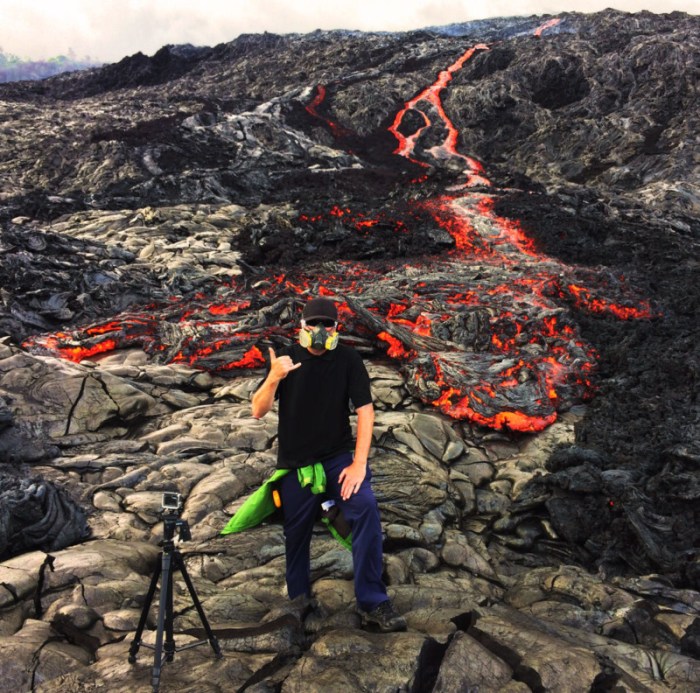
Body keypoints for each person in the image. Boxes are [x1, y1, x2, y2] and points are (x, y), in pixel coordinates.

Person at [251, 296, 406, 632]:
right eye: (313, 325)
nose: (320, 331)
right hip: (294, 463)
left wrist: (359, 464)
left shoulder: (348, 359)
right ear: (302, 328)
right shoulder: (287, 359)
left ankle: (373, 601)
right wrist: (274, 377)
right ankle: (298, 599)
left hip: (337, 458)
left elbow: (365, 411)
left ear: (337, 328)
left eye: (327, 325)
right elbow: (258, 410)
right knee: (297, 533)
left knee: (364, 507)